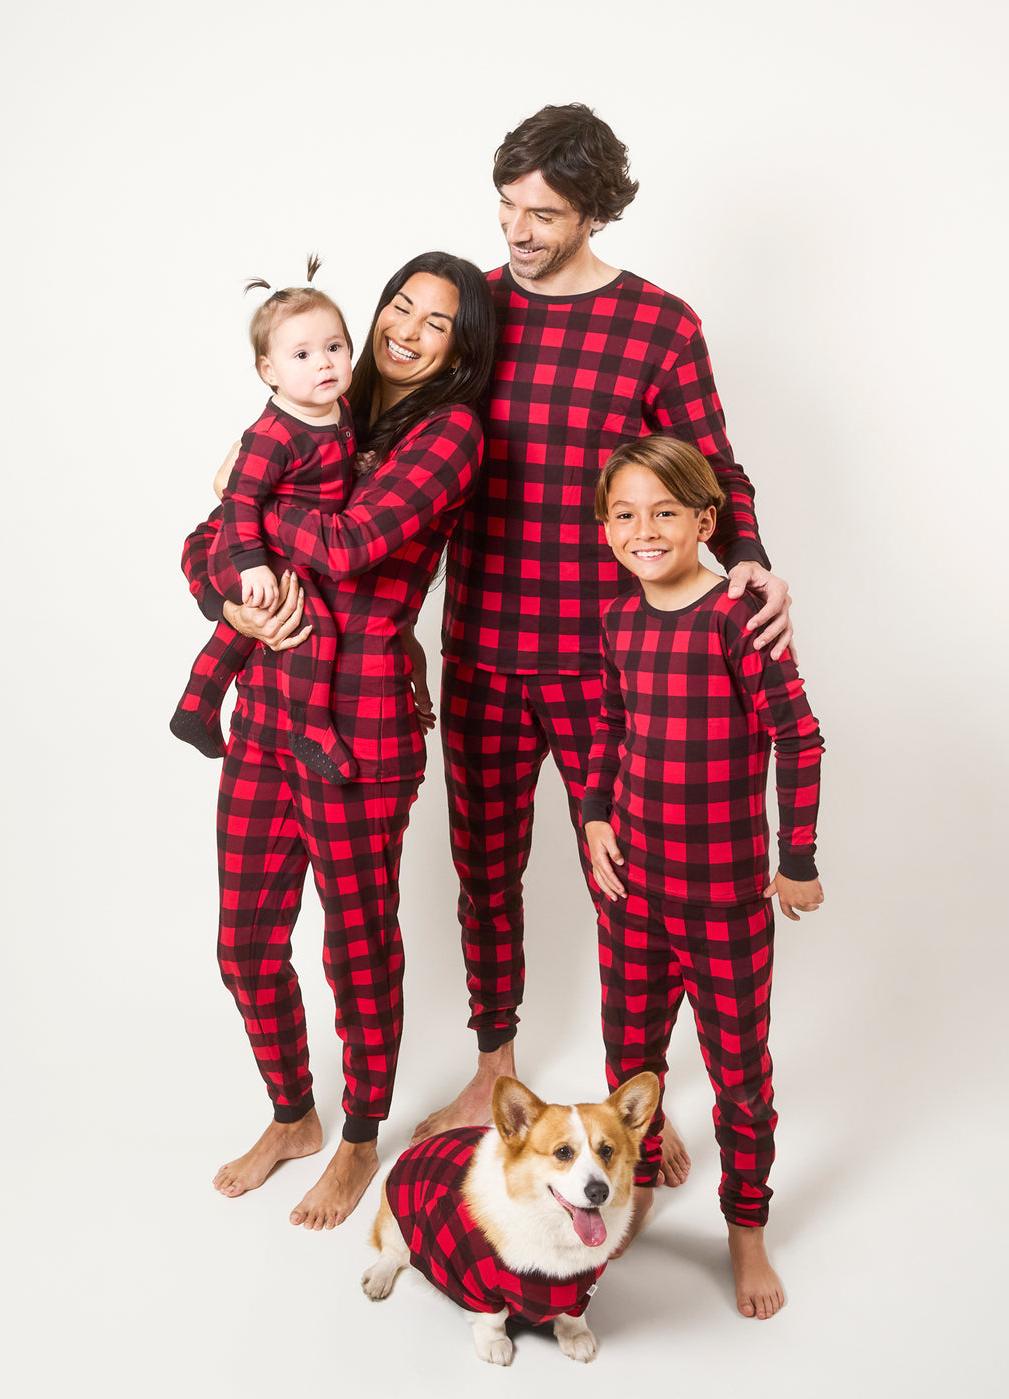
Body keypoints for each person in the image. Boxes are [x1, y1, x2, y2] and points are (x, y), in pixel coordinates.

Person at [416, 104, 796, 1172]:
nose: (518, 229)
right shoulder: (476, 308)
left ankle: (640, 1107)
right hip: (482, 645)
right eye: (506, 206)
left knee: (631, 889)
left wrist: (751, 558)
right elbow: (384, 415)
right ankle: (496, 1065)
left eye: (544, 213)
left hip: (607, 666)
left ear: (594, 212)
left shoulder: (659, 326)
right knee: (482, 869)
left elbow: (711, 471)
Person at [178, 251, 496, 1228]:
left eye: (435, 321)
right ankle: (292, 1115)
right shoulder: (323, 404)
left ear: (459, 347)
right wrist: (235, 590)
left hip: (363, 726)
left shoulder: (449, 435)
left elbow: (354, 546)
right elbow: (203, 548)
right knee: (244, 945)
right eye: (400, 303)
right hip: (269, 713)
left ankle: (360, 1135)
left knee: (356, 948)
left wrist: (254, 502)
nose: (407, 327)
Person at [583, 435, 824, 1318]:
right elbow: (609, 726)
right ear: (607, 528)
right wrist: (597, 815)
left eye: (666, 512)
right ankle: (638, 1181)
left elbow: (799, 736)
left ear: (705, 521)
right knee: (629, 1057)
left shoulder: (735, 617)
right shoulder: (617, 621)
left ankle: (745, 1229)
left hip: (725, 901)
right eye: (626, 514)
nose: (645, 530)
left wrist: (794, 857)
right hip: (634, 894)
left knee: (739, 1077)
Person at [170, 262, 360, 783]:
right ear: (268, 371)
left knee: (242, 631)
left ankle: (196, 707)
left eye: (335, 347)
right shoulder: (274, 432)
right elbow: (238, 499)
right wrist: (250, 566)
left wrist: (358, 461)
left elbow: (334, 460)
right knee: (311, 626)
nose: (323, 363)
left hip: (277, 550)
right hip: (243, 548)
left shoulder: (337, 408)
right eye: (301, 355)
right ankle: (311, 727)